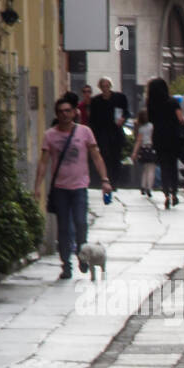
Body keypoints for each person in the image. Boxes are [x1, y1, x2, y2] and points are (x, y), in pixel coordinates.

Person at [33, 96, 114, 280]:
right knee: (64, 228)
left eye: (68, 110)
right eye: (61, 111)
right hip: (60, 188)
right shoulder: (50, 135)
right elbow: (44, 163)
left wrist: (105, 180)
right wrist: (37, 186)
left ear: (74, 112)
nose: (64, 114)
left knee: (80, 223)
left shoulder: (85, 132)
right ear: (57, 114)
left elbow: (96, 156)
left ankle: (82, 256)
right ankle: (66, 265)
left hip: (79, 187)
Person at [146, 77, 184, 209]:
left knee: (164, 166)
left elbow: (151, 120)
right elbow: (180, 119)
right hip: (173, 137)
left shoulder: (151, 103)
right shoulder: (173, 102)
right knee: (173, 165)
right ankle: (174, 192)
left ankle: (166, 195)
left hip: (159, 137)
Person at [88, 76, 128, 191]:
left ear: (110, 86)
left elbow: (126, 112)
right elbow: (93, 120)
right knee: (105, 156)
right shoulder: (96, 101)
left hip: (116, 132)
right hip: (102, 133)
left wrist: (123, 119)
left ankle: (114, 181)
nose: (105, 88)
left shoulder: (119, 98)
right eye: (103, 86)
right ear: (100, 87)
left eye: (107, 86)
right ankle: (106, 180)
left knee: (116, 157)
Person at [135, 109, 156, 197]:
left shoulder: (141, 128)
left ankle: (143, 186)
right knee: (151, 169)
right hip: (151, 148)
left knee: (145, 168)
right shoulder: (152, 126)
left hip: (143, 149)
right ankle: (149, 188)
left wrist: (134, 152)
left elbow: (139, 141)